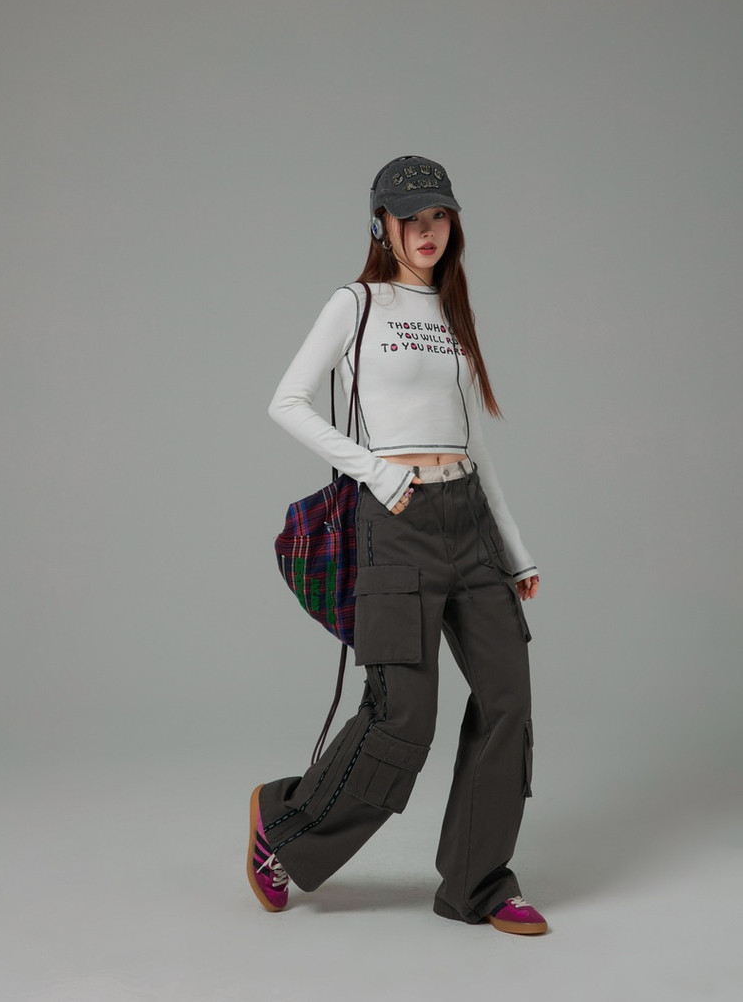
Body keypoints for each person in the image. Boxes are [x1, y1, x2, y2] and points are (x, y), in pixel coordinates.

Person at [247, 155, 546, 936]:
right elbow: (287, 401)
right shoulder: (356, 304)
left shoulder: (452, 313)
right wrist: (377, 472)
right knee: (402, 719)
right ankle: (283, 827)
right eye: (410, 218)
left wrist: (515, 549)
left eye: (438, 215)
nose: (426, 230)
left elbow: (474, 445)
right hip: (398, 522)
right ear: (380, 225)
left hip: (468, 521)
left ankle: (478, 883)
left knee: (508, 702)